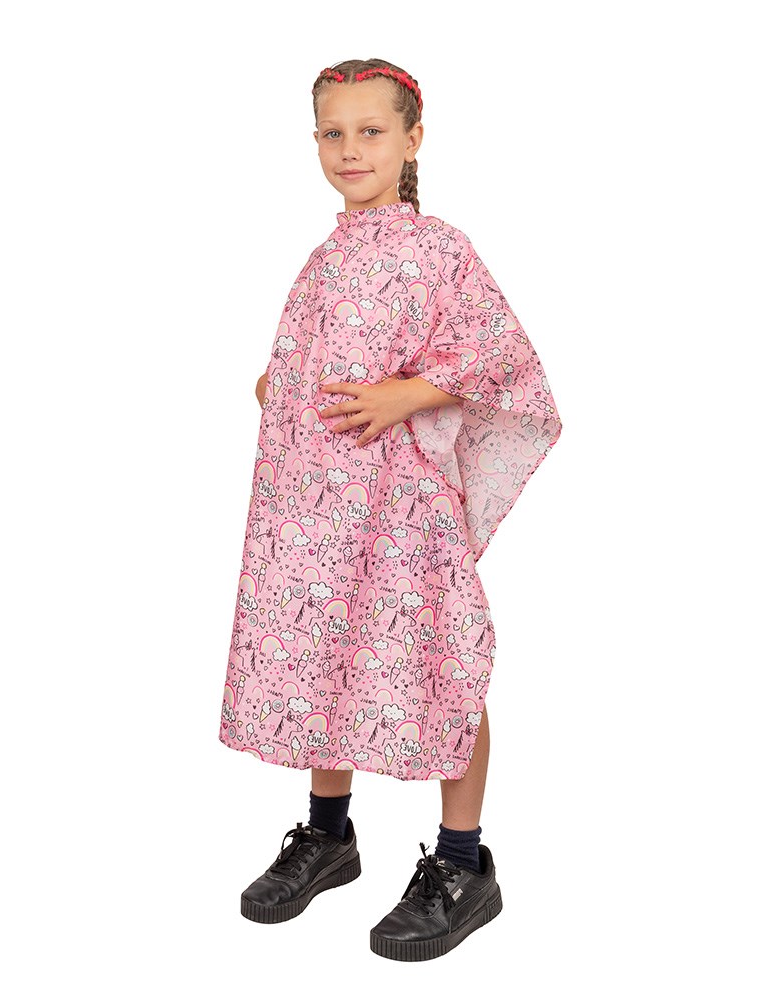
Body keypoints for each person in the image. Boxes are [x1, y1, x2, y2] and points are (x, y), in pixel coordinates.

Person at [218, 57, 563, 961]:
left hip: (403, 501)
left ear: (413, 140)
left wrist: (406, 395)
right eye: (333, 132)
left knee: (442, 652)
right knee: (324, 643)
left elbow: (501, 358)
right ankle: (328, 834)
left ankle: (462, 861)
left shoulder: (440, 248)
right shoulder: (324, 257)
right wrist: (278, 387)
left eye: (370, 131)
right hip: (315, 508)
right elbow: (292, 367)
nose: (350, 149)